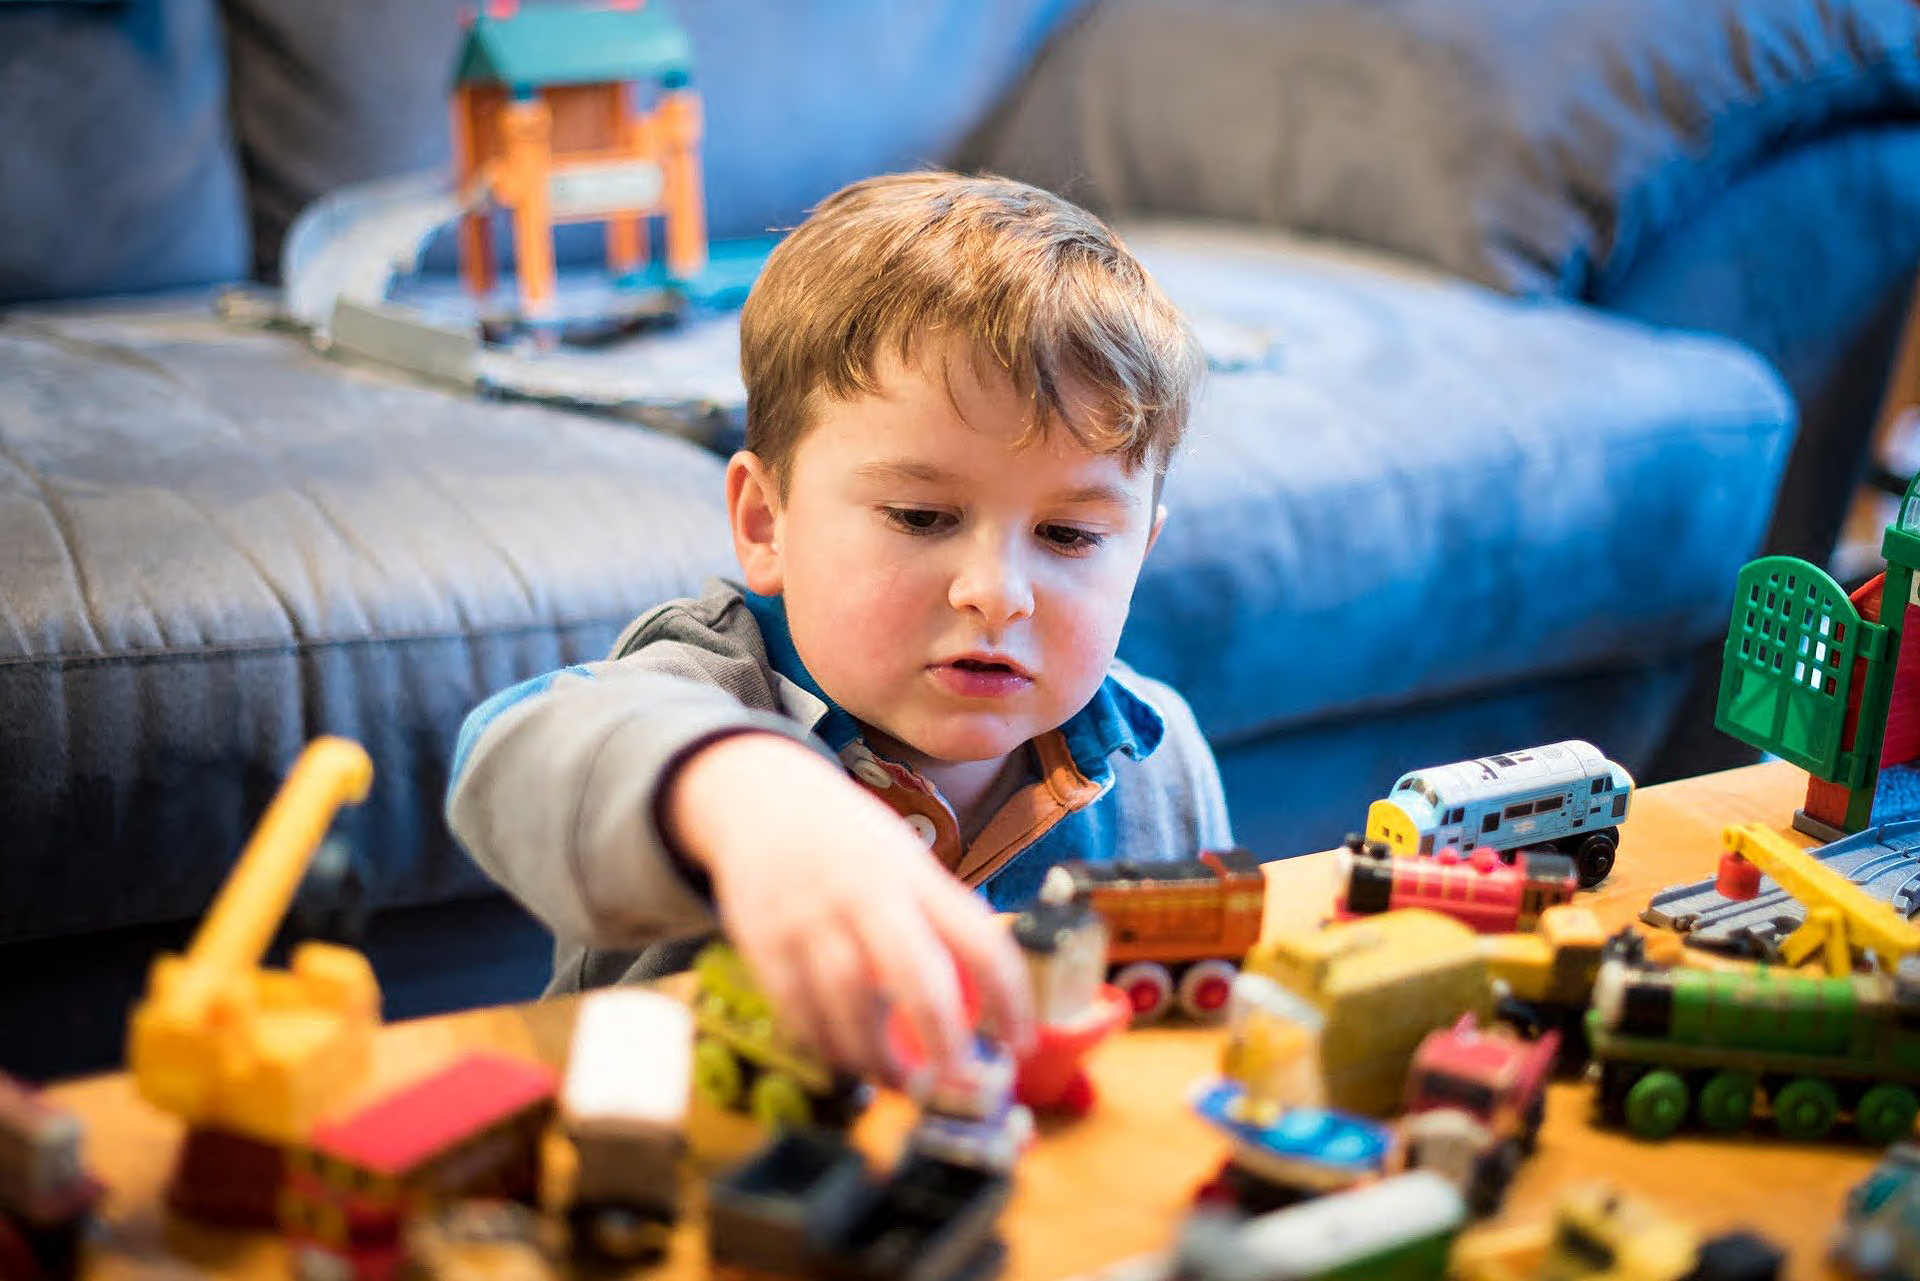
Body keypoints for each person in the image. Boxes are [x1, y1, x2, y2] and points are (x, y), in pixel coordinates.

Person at [447, 170, 1232, 1084]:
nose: (996, 593)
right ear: (766, 523)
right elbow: (510, 757)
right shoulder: (706, 685)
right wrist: (741, 792)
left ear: (1138, 551)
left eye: (1069, 535)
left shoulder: (1158, 759)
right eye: (920, 516)